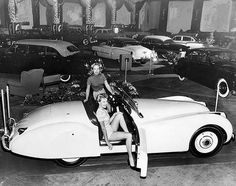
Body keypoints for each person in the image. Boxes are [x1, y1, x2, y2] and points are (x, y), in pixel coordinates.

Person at [96, 93, 135, 168]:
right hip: (109, 134)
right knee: (129, 136)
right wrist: (108, 142)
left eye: (106, 101)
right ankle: (130, 157)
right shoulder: (100, 112)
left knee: (119, 115)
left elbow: (107, 122)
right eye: (103, 102)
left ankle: (127, 132)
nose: (106, 103)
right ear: (99, 102)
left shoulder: (103, 109)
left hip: (110, 128)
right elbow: (103, 129)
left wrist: (113, 115)